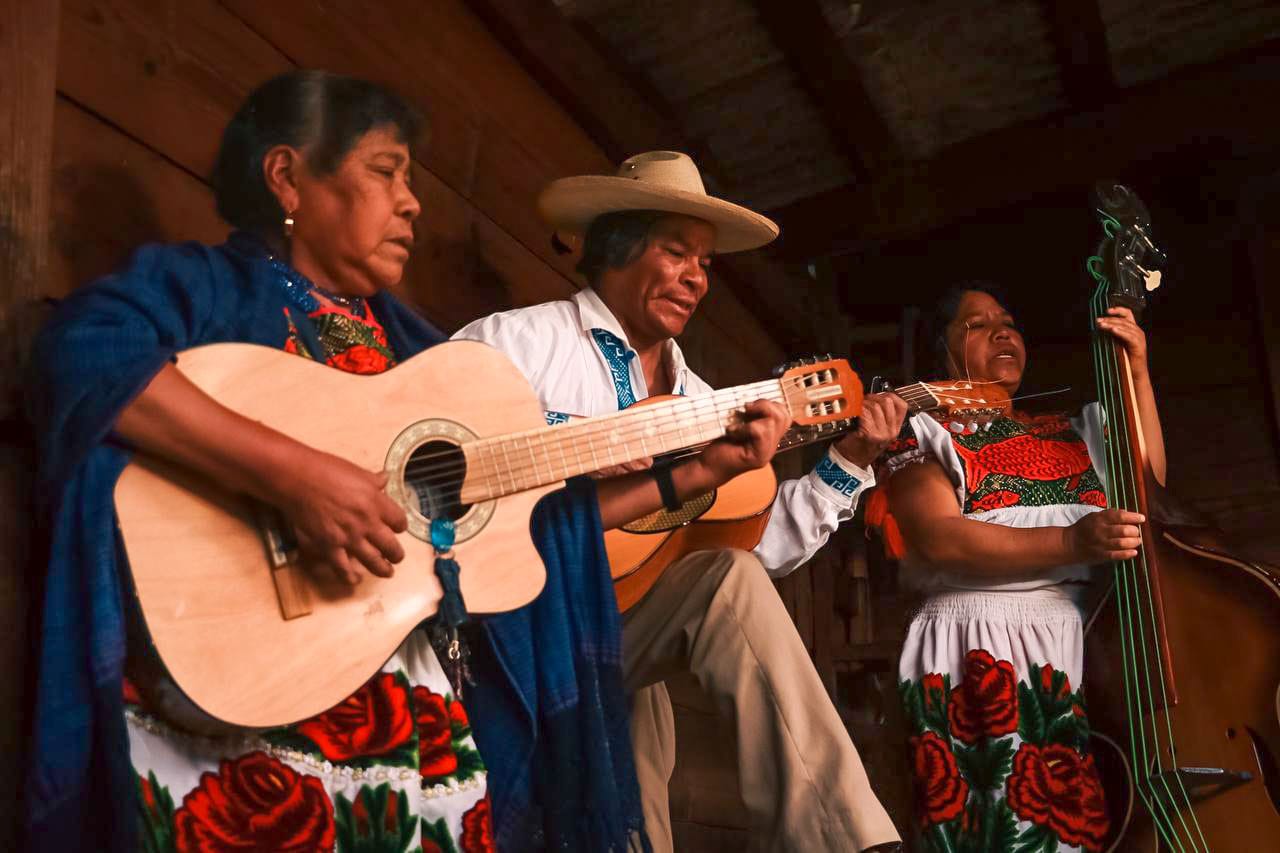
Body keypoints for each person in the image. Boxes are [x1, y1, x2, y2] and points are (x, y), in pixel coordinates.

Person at [23, 73, 779, 853]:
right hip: (236, 689)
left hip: (401, 704)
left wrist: (691, 475)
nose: (413, 201)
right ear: (288, 177)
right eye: (386, 171)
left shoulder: (418, 349)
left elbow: (537, 522)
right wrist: (293, 476)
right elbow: (87, 351)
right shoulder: (207, 286)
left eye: (412, 180)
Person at [453, 151, 906, 852]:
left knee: (724, 578)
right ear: (618, 244)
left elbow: (752, 545)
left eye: (706, 263)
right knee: (641, 710)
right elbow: (441, 459)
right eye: (676, 251)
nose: (697, 277)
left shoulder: (704, 406)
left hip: (622, 623)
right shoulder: (519, 341)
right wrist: (581, 446)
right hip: (511, 615)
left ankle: (847, 840)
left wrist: (848, 462)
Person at [869, 282, 1161, 852]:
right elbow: (939, 539)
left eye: (1009, 321)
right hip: (978, 640)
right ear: (942, 349)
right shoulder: (919, 430)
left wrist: (1139, 374)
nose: (1003, 331)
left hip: (1084, 640)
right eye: (975, 324)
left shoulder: (1073, 431)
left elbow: (1151, 483)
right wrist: (1073, 540)